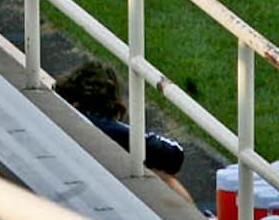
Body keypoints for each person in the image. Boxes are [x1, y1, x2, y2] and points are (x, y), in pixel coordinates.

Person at [54, 61, 193, 203]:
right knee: (162, 176)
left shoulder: (57, 108)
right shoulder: (109, 129)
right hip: (98, 190)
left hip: (70, 177)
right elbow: (172, 154)